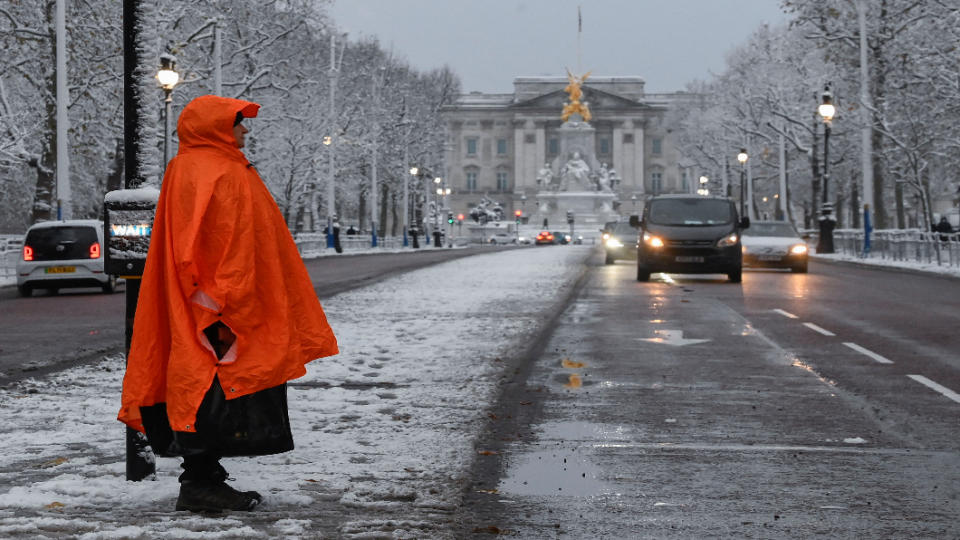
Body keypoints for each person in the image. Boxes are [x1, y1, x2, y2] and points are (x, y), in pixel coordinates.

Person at [118, 95, 338, 513]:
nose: (245, 130)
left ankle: (205, 478)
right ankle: (200, 482)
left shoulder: (214, 167)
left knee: (212, 384)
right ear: (217, 127)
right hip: (216, 305)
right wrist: (215, 306)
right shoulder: (206, 171)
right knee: (208, 385)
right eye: (238, 122)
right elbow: (198, 245)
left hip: (222, 301)